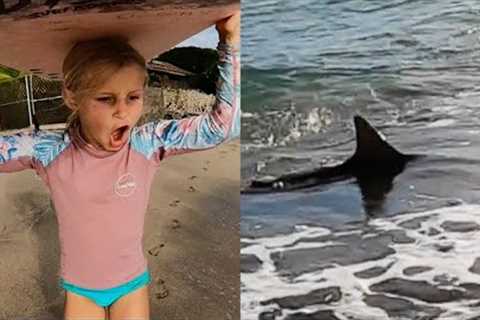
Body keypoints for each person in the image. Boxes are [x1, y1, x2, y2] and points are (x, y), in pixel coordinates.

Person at [0, 11, 240, 320]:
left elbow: (222, 127)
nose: (123, 112)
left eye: (133, 97)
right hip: (81, 291)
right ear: (72, 97)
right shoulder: (50, 151)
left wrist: (229, 42)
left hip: (131, 286)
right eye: (106, 99)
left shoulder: (145, 144)